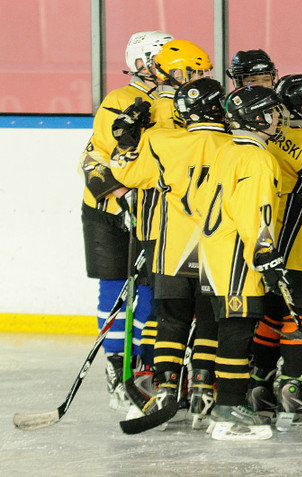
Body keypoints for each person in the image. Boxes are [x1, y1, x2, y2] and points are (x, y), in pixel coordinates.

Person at [109, 78, 227, 428]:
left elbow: (125, 172)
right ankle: (204, 385)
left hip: (172, 245)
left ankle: (165, 387)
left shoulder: (161, 141)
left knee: (171, 319)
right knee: (209, 318)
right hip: (215, 247)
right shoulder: (236, 145)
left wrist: (128, 140)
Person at [79, 30, 172, 410]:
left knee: (149, 290)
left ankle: (143, 366)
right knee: (115, 286)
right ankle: (117, 365)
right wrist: (124, 196)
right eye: (163, 58)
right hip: (109, 211)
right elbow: (99, 155)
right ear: (143, 63)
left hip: (152, 211)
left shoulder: (172, 101)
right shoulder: (120, 100)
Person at [248, 74, 302, 430]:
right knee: (299, 318)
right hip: (301, 246)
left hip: (265, 245)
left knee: (271, 316)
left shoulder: (268, 140)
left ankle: (259, 387)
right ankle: (292, 391)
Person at [196, 85, 285, 441]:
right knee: (238, 327)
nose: (279, 117)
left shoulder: (227, 151)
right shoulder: (258, 159)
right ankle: (228, 411)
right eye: (273, 111)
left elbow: (204, 199)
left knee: (231, 326)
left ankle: (227, 403)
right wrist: (265, 251)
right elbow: (255, 211)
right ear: (258, 116)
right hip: (237, 254)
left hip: (216, 251)